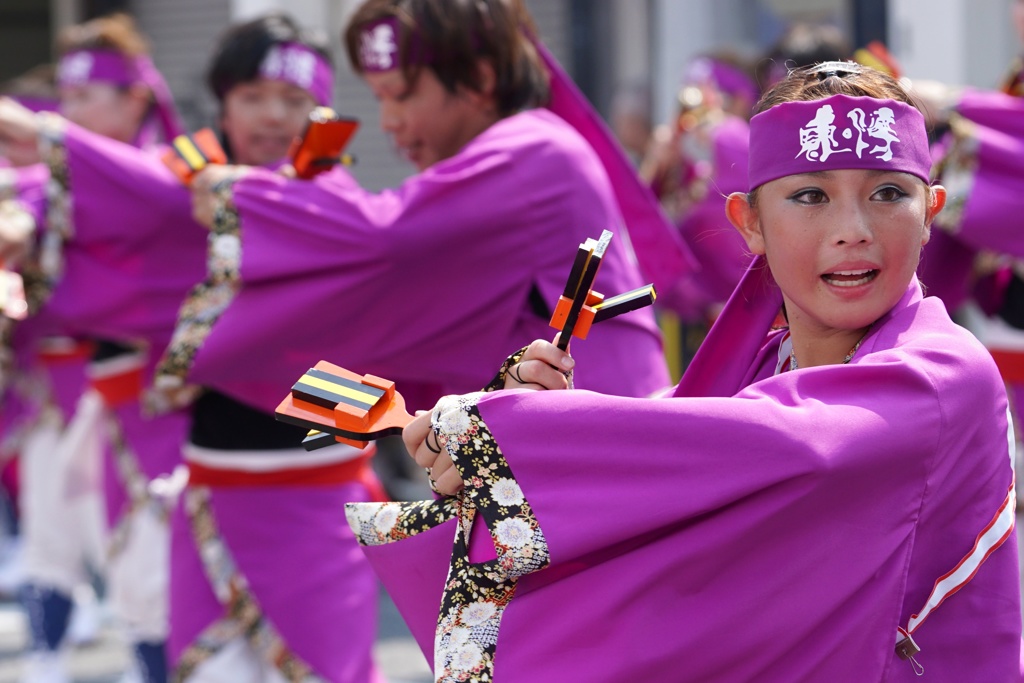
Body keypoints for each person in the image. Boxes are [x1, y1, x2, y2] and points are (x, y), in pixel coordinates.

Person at [347, 62, 1023, 681]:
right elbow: (681, 440)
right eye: (811, 196)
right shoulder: (764, 365)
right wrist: (537, 411)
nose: (854, 228)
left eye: (887, 194)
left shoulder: (943, 372)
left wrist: (519, 437)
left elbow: (792, 445)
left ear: (931, 212)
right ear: (748, 223)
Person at [0, 13, 187, 683]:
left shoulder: (175, 173)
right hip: (74, 396)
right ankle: (47, 662)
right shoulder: (51, 181)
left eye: (86, 97)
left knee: (155, 571)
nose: (70, 110)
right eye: (67, 98)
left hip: (175, 410)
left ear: (134, 97)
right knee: (59, 545)